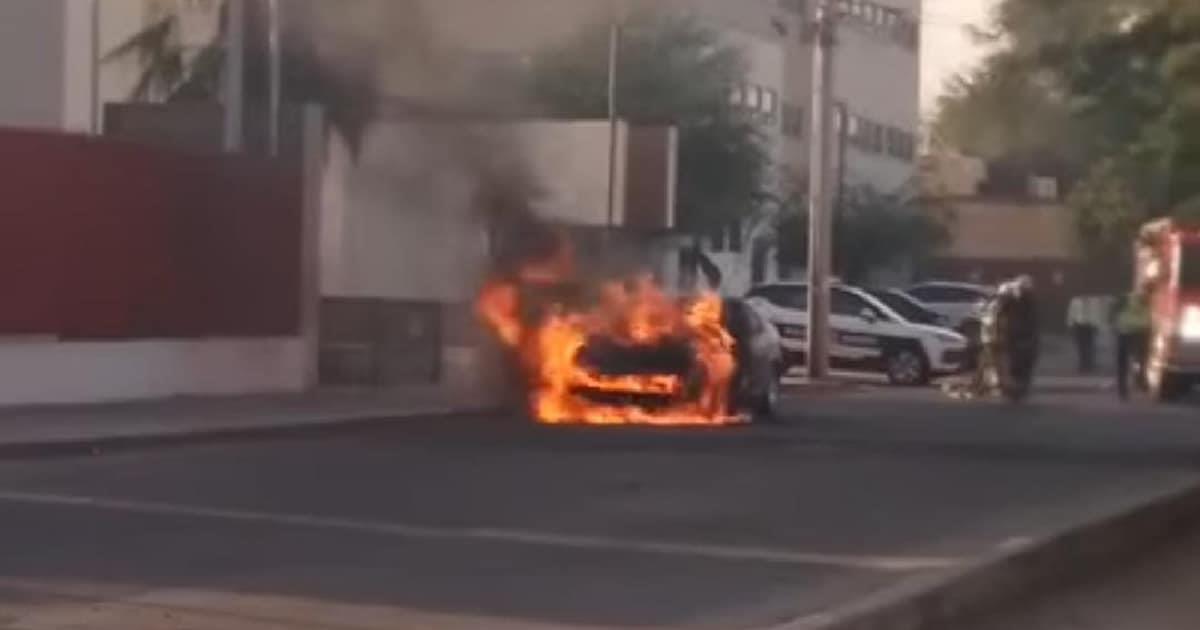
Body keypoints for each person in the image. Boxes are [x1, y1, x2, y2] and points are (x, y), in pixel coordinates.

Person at [1112, 289, 1151, 400]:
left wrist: (1114, 325)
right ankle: (1140, 379)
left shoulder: (1124, 299)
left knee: (1122, 363)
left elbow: (1113, 313)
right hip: (1141, 332)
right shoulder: (1146, 300)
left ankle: (1123, 390)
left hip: (1125, 332)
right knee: (1141, 359)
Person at [1066, 295, 1101, 373]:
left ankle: (1089, 365)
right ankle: (1082, 365)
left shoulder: (1094, 300)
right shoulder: (1075, 300)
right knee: (1081, 346)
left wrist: (1097, 324)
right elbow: (1071, 313)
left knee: (1089, 346)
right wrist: (1070, 324)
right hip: (1079, 326)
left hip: (1090, 325)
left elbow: (1096, 313)